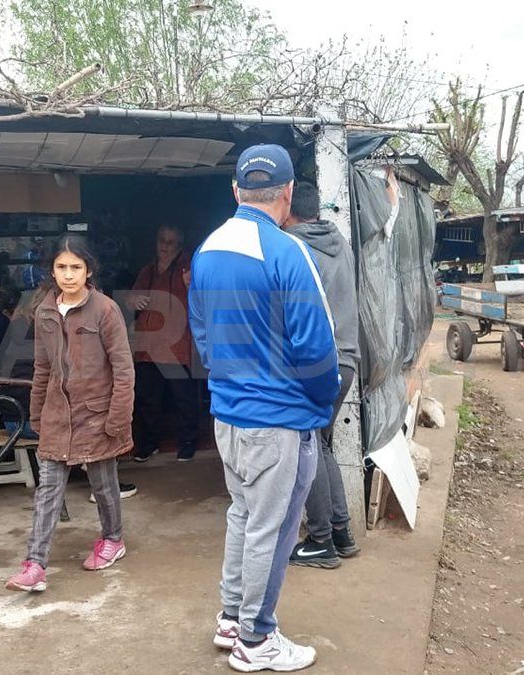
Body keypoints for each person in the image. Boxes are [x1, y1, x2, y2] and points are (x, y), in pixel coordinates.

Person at [190, 145, 340, 672]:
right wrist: (321, 404)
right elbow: (317, 349)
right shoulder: (286, 252)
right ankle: (256, 640)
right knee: (272, 530)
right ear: (288, 193)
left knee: (243, 516)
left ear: (235, 191)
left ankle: (232, 617)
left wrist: (232, 382)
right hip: (277, 421)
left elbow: (203, 338)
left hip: (228, 416)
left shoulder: (206, 250)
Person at [6, 236, 136, 592]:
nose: (68, 275)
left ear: (88, 270)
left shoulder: (105, 310)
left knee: (104, 486)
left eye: (75, 267)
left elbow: (123, 370)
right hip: (57, 416)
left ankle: (113, 539)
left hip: (97, 413)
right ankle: (35, 564)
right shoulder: (45, 311)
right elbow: (43, 368)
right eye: (61, 267)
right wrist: (36, 411)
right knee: (48, 489)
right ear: (51, 270)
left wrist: (118, 418)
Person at [282, 183, 361, 569]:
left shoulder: (293, 248)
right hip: (347, 361)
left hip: (318, 362)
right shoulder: (339, 241)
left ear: (286, 208)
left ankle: (320, 540)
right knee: (322, 444)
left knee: (307, 448)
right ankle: (341, 533)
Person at [127, 224, 200, 462]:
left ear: (180, 245)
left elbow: (205, 299)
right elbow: (131, 300)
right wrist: (134, 300)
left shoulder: (190, 267)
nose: (165, 247)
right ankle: (149, 444)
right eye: (161, 241)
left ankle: (187, 443)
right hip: (149, 346)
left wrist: (193, 286)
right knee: (148, 398)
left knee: (184, 399)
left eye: (170, 242)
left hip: (178, 345)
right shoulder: (148, 270)